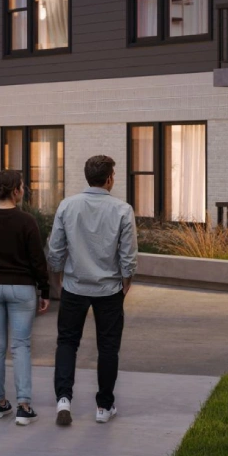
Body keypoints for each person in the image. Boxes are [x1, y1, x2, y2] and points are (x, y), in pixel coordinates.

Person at [48, 154, 138, 426]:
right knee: (108, 347)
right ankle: (104, 406)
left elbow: (55, 250)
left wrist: (57, 280)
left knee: (67, 342)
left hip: (74, 286)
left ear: (87, 176)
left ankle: (63, 399)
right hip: (109, 289)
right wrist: (126, 282)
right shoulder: (122, 209)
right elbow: (128, 255)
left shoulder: (67, 205)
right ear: (110, 178)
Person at [0, 169, 50, 425]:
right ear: (15, 190)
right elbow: (38, 260)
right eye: (23, 186)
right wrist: (45, 289)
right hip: (21, 288)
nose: (24, 190)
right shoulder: (26, 221)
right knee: (20, 346)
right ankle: (24, 406)